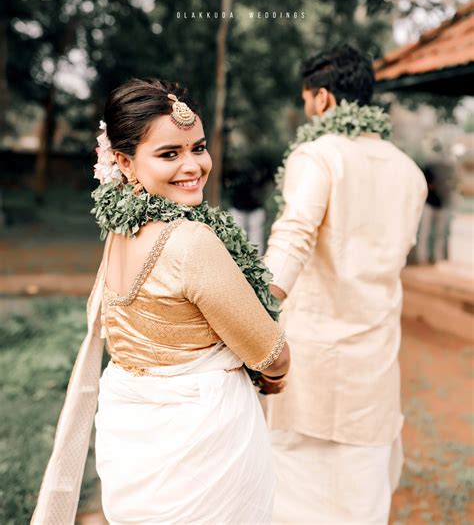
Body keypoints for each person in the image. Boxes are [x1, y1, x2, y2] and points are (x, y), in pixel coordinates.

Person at [32, 78, 289, 524]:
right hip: (202, 450)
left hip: (135, 445)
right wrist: (276, 376)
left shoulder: (119, 230)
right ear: (124, 162)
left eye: (199, 148)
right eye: (170, 154)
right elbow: (270, 351)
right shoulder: (190, 240)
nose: (193, 166)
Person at [264, 45, 427, 524]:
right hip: (373, 358)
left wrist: (255, 311)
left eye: (306, 100)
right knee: (361, 492)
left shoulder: (319, 156)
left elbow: (293, 237)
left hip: (313, 355)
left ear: (323, 99)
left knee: (296, 489)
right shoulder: (410, 173)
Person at [417, 141, 458, 263]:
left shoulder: (449, 167)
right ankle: (423, 257)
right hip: (430, 202)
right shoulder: (430, 166)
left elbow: (453, 184)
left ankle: (435, 257)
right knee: (426, 233)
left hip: (441, 203)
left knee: (437, 233)